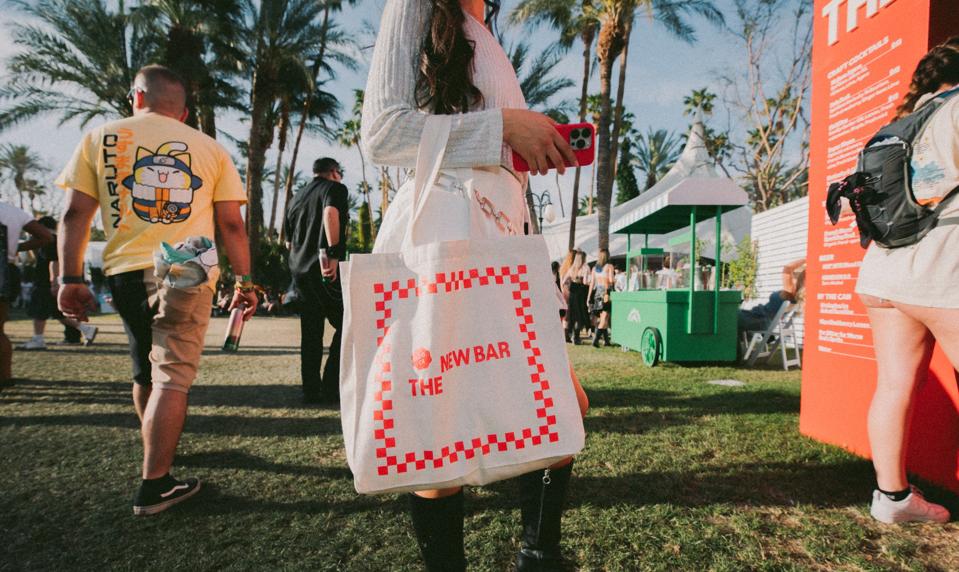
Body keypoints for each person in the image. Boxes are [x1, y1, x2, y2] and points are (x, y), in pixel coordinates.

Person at [362, 0, 588, 568]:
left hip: (503, 236)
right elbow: (382, 132)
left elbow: (474, 137)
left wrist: (521, 146)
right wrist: (504, 127)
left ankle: (539, 556)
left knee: (564, 405)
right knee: (437, 431)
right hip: (447, 234)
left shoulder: (483, 29)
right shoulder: (416, 5)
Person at [55, 64, 257, 516]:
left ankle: (158, 450)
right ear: (183, 113)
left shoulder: (100, 138)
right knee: (173, 375)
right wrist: (245, 282)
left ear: (137, 98)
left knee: (144, 368)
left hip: (124, 268)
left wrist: (69, 279)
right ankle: (155, 484)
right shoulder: (210, 148)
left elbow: (74, 215)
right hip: (188, 264)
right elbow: (231, 225)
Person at [854, 40, 959, 524]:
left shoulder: (896, 127)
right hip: (943, 268)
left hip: (885, 271)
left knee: (894, 384)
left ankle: (891, 499)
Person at [284, 157, 348, 405]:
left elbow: (288, 242)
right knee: (347, 324)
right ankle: (331, 385)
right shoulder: (335, 189)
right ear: (334, 172)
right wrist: (332, 254)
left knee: (310, 332)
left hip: (299, 271)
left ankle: (311, 390)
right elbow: (330, 212)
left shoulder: (296, 197)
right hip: (324, 269)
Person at [20, 216, 98, 350]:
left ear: (43, 226)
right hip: (54, 281)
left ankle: (38, 339)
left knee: (39, 311)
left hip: (46, 282)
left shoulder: (48, 240)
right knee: (57, 312)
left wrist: (54, 282)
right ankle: (86, 329)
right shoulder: (60, 240)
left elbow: (53, 262)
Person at [0, 203, 53, 388]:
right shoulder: (13, 211)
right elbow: (46, 236)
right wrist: (15, 248)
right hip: (6, 269)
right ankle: (5, 377)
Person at [737, 259, 805, 334]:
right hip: (760, 320)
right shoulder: (797, 296)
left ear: (799, 279)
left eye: (795, 274)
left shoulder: (790, 292)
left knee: (728, 315)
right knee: (730, 316)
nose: (792, 276)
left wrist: (807, 258)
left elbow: (787, 268)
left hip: (758, 319)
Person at [587, 248, 614, 347]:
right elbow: (611, 280)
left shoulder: (595, 268)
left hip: (598, 292)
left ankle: (606, 341)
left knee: (603, 317)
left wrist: (589, 297)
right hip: (606, 293)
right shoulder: (609, 266)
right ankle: (596, 339)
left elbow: (592, 284)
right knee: (605, 317)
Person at [563, 250, 590, 345]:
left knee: (572, 316)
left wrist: (568, 285)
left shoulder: (572, 268)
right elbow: (586, 281)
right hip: (581, 292)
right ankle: (576, 336)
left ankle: (570, 334)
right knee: (580, 316)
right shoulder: (585, 267)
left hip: (572, 293)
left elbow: (564, 281)